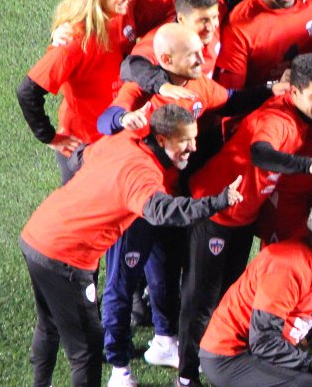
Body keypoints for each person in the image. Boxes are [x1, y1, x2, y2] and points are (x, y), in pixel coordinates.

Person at [19, 105, 242, 387]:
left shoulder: (122, 140)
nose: (192, 147)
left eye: (194, 138)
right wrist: (218, 202)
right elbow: (164, 212)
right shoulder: (143, 174)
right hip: (64, 256)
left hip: (37, 234)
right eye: (185, 140)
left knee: (49, 324)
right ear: (161, 140)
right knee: (87, 349)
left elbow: (78, 158)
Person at [177, 54, 312, 386]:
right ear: (294, 92)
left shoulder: (300, 114)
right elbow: (261, 154)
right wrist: (307, 166)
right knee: (202, 295)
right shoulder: (278, 120)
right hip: (216, 211)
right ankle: (186, 376)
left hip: (243, 215)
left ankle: (236, 364)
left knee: (229, 294)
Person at [95, 23, 244, 381]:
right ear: (166, 59)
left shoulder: (199, 88)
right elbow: (106, 119)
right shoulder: (141, 91)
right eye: (193, 53)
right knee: (121, 284)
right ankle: (118, 366)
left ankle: (164, 339)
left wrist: (277, 89)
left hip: (170, 201)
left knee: (163, 276)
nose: (203, 57)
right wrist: (122, 118)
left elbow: (235, 98)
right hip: (134, 208)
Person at [197, 201, 312, 387]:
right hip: (230, 356)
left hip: (258, 349)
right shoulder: (287, 267)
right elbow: (262, 341)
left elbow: (307, 318)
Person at [17, 0, 138, 184]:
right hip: (86, 150)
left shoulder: (119, 14)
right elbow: (27, 92)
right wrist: (51, 137)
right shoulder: (74, 42)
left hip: (118, 141)